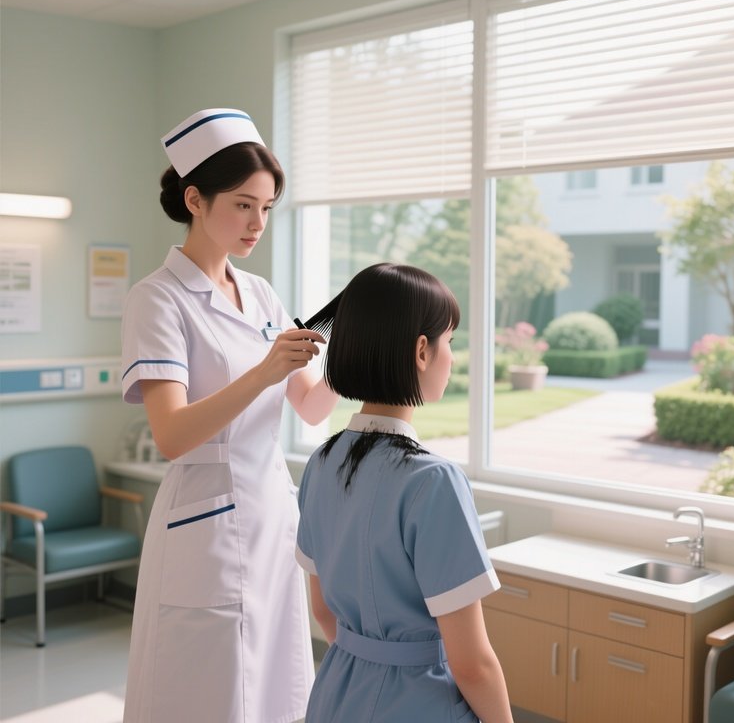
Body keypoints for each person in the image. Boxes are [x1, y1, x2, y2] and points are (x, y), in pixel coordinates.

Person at [120, 108, 338, 723]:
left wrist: (362, 353)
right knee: (210, 691)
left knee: (275, 682)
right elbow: (171, 434)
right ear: (195, 198)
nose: (257, 223)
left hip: (273, 516)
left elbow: (312, 404)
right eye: (243, 205)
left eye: (267, 209)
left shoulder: (263, 293)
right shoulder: (157, 299)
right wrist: (266, 370)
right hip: (205, 521)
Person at [295, 263, 514, 723]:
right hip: (421, 705)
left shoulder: (320, 464)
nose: (451, 357)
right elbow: (472, 665)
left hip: (336, 695)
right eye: (449, 342)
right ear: (421, 350)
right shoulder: (433, 482)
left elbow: (322, 611)